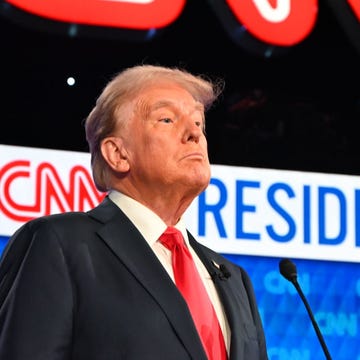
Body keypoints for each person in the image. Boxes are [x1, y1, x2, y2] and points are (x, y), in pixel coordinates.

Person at [0, 64, 268, 359]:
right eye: (167, 119)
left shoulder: (235, 279)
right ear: (117, 154)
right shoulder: (59, 244)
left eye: (199, 124)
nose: (194, 134)